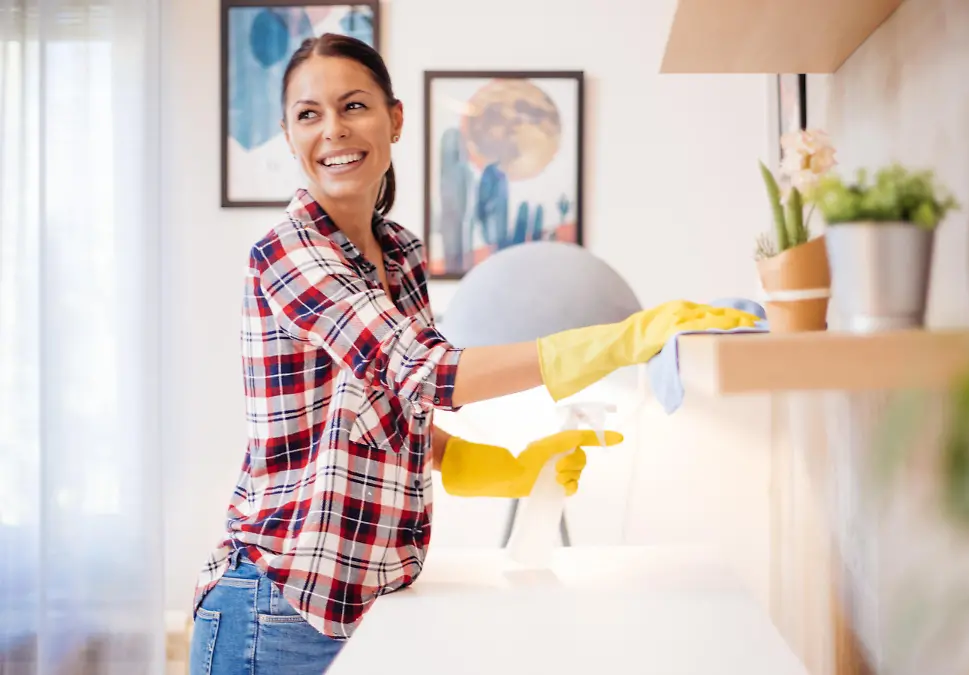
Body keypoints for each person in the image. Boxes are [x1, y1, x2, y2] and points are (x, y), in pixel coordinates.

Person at [187, 33, 758, 675]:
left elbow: (390, 409)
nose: (333, 132)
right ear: (289, 136)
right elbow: (425, 373)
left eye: (353, 106)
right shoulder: (288, 253)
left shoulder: (397, 254)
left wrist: (493, 467)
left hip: (363, 603)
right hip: (279, 609)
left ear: (394, 118)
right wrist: (620, 340)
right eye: (308, 114)